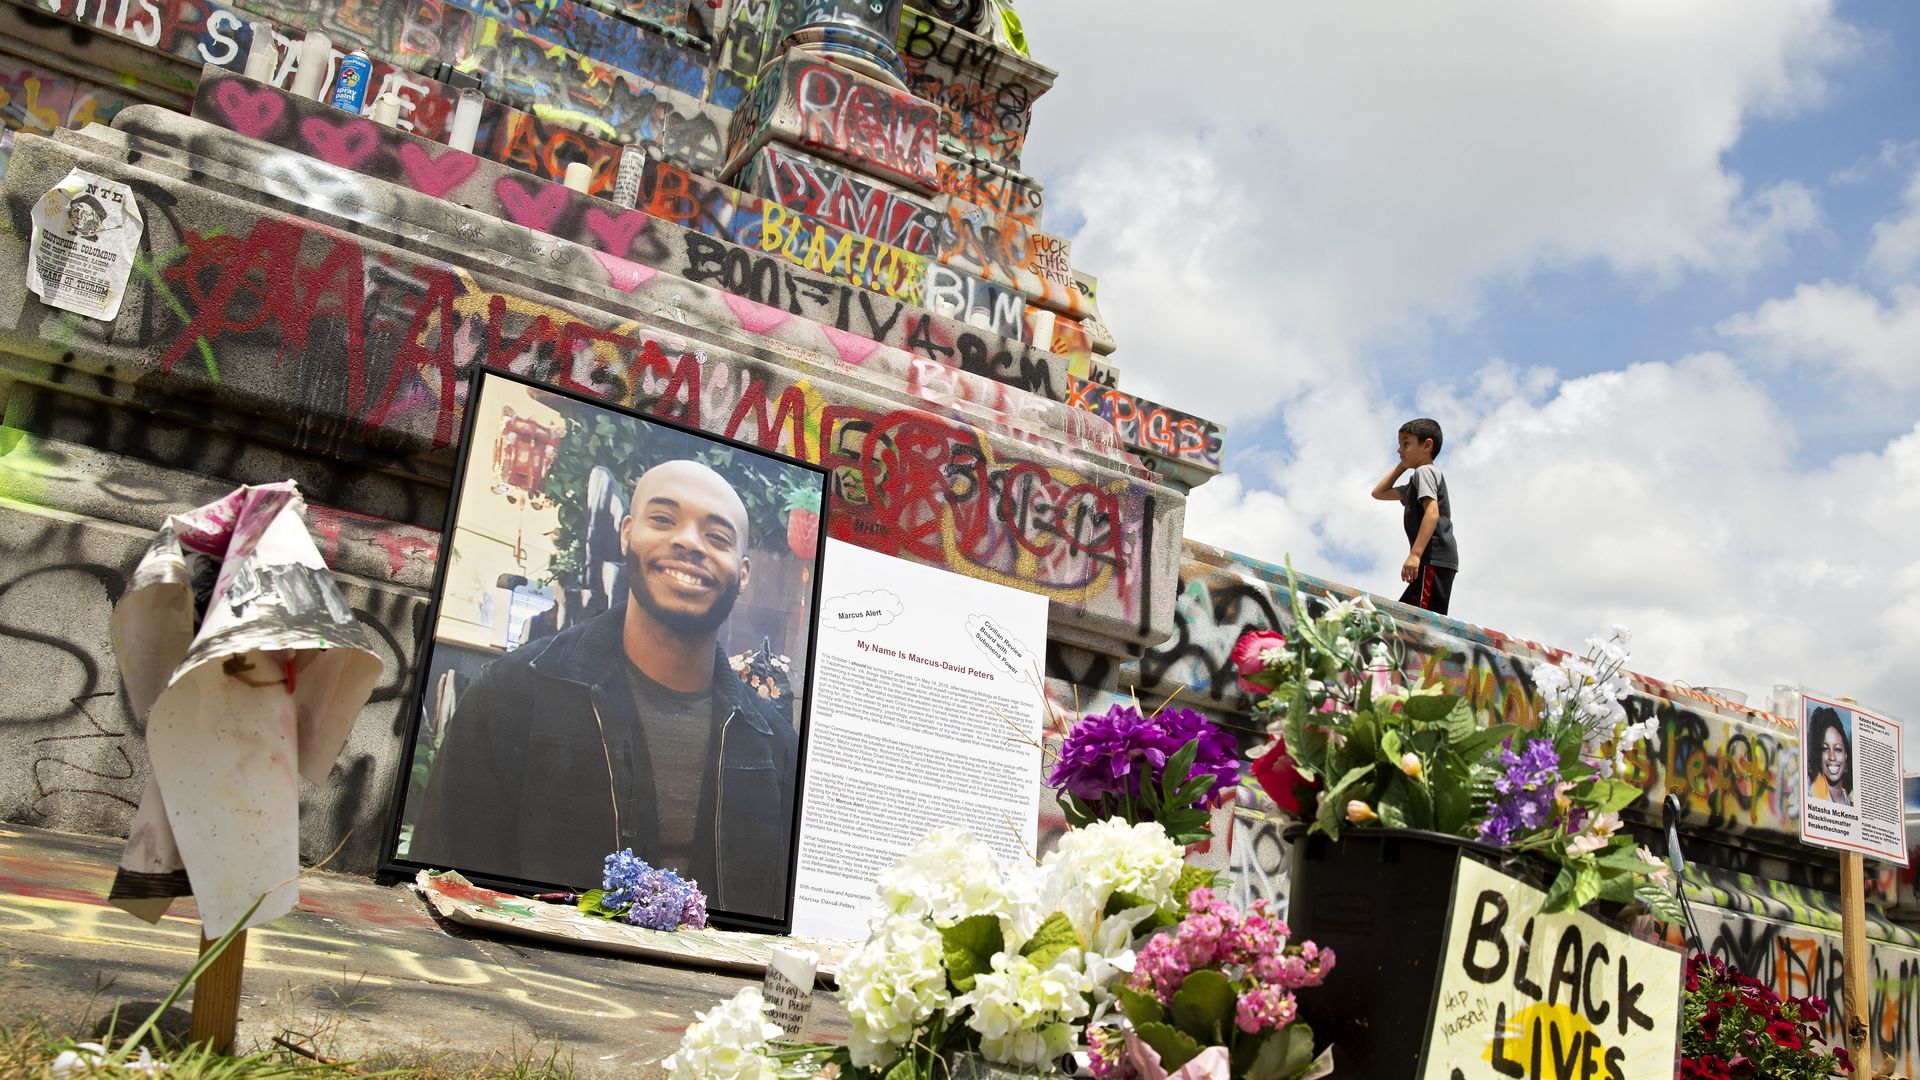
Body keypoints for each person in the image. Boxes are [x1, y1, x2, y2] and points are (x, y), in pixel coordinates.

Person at [411, 460, 798, 922]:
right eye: (663, 519)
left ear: (744, 572)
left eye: (717, 537)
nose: (689, 542)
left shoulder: (773, 746)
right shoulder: (513, 695)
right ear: (627, 533)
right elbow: (445, 890)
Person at [1370, 417, 1459, 615]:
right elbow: (1378, 493)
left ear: (1427, 445)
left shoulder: (1425, 472)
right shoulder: (1415, 481)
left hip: (1433, 558)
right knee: (1408, 616)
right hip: (1434, 561)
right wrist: (1403, 465)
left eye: (1406, 443)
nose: (1399, 450)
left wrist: (1415, 554)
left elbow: (1432, 512)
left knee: (1421, 623)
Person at [1807, 706, 1853, 807]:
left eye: (1838, 749)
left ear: (1846, 755)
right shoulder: (1809, 792)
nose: (1832, 756)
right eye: (1825, 749)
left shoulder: (1851, 802)